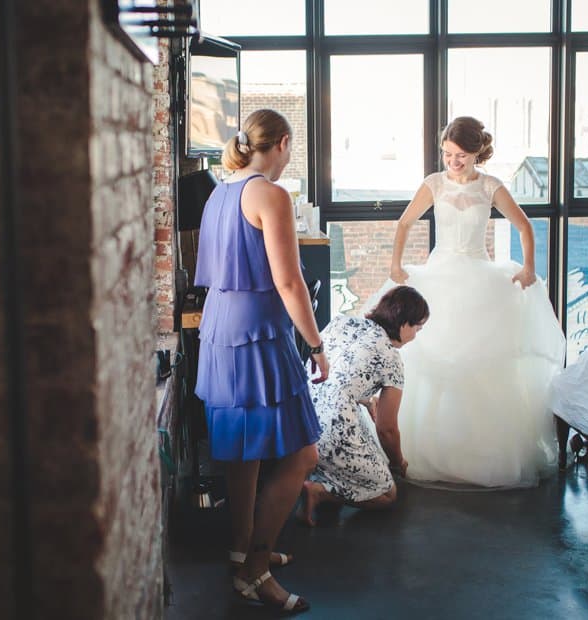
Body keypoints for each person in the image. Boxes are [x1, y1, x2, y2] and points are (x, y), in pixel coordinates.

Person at [194, 109, 328, 614]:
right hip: (259, 332)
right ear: (284, 143)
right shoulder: (271, 195)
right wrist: (316, 345)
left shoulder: (218, 192)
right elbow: (290, 283)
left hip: (219, 329)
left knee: (243, 452)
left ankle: (242, 547)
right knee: (302, 456)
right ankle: (254, 572)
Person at [387, 116, 565, 488]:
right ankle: (421, 450)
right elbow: (404, 224)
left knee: (482, 365)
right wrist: (395, 264)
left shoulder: (491, 186)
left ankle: (479, 454)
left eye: (461, 155)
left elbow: (524, 226)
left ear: (476, 153)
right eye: (448, 154)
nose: (453, 161)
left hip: (478, 278)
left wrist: (529, 267)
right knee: (429, 362)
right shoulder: (433, 184)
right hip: (439, 276)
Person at [297, 286, 428, 526]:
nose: (416, 336)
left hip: (301, 422)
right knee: (387, 494)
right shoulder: (391, 359)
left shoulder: (342, 322)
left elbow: (333, 375)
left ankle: (317, 474)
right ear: (404, 323)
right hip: (333, 429)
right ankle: (319, 491)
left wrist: (365, 399)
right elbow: (387, 429)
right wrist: (398, 463)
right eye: (418, 328)